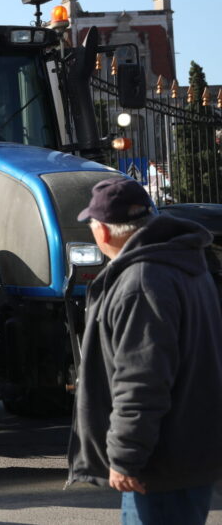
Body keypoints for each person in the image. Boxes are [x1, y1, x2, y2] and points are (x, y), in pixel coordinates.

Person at [67, 177, 222, 524]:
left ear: (103, 232)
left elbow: (141, 381)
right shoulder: (185, 264)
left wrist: (124, 456)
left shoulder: (141, 282)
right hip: (188, 455)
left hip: (159, 465)